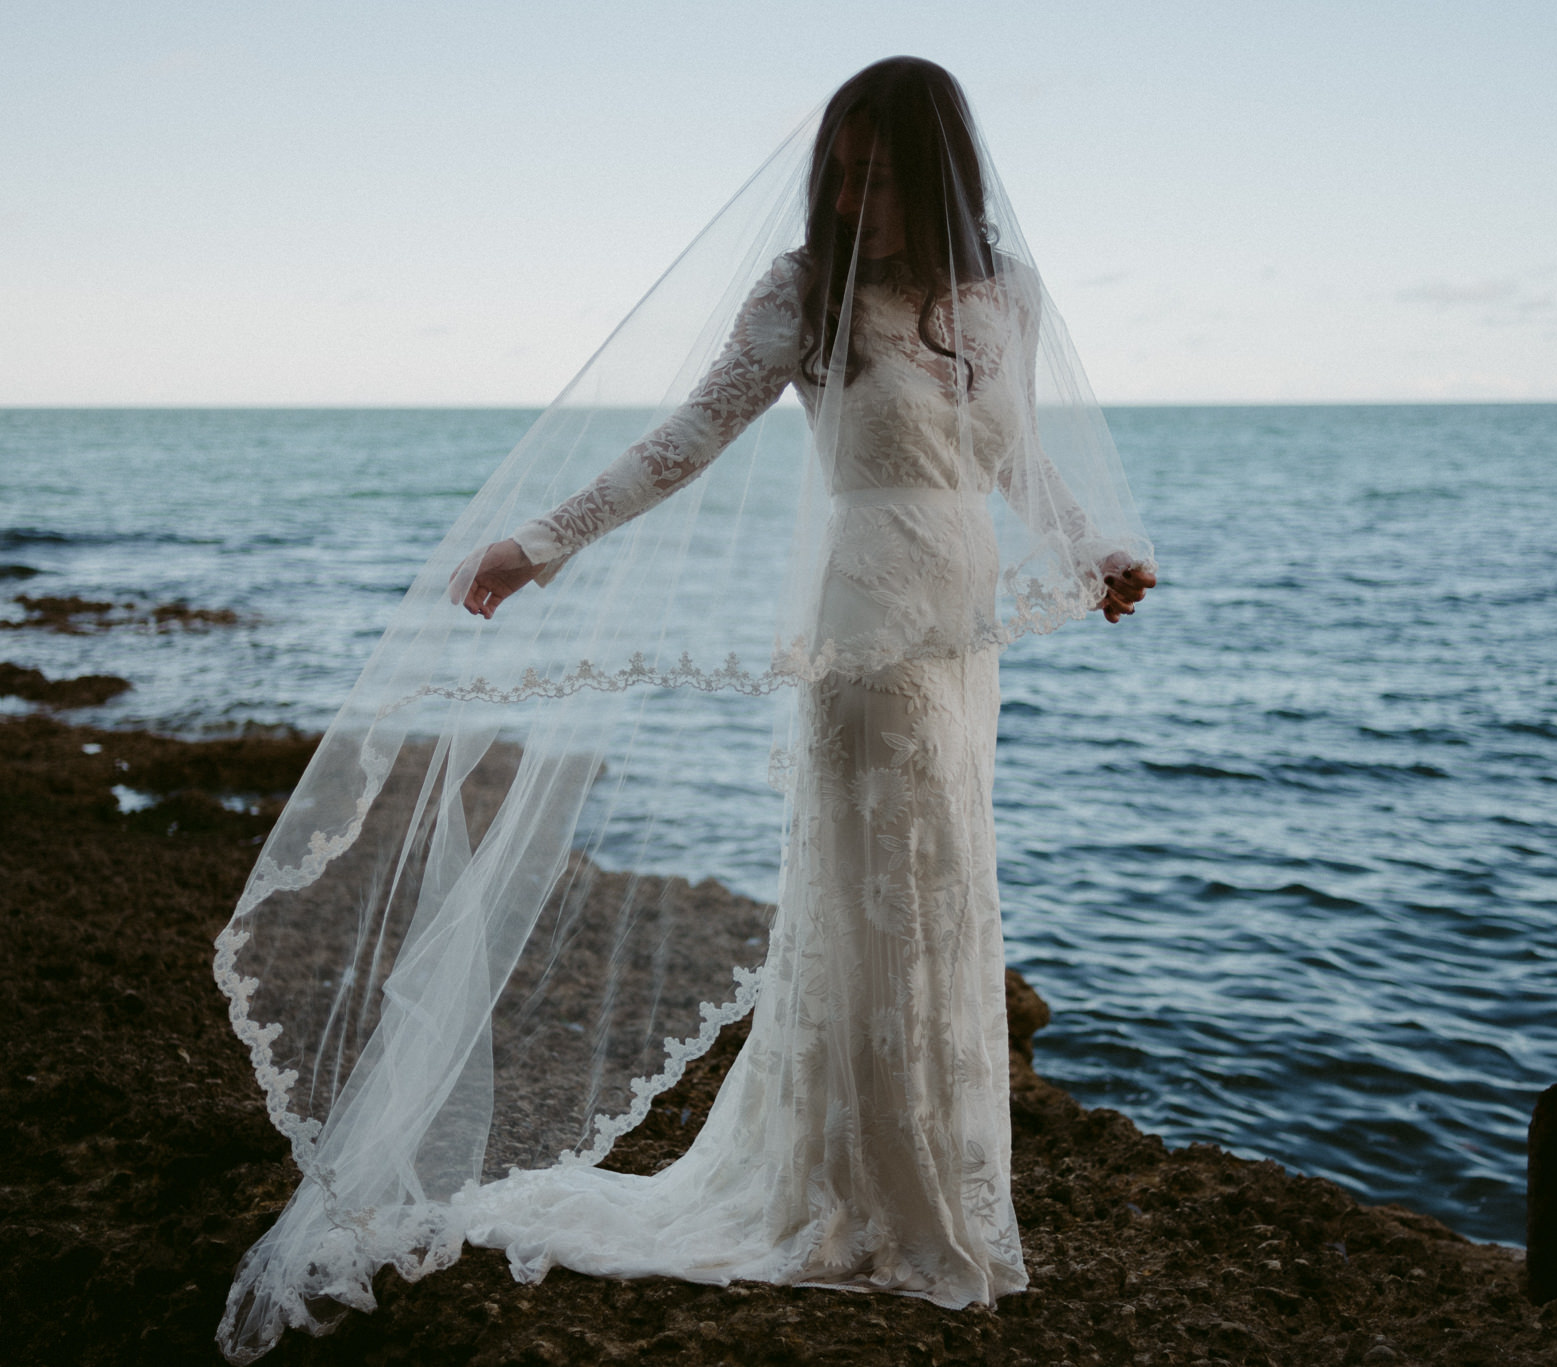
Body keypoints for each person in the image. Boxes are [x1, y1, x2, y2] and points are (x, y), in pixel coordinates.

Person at [215, 56, 1152, 1361]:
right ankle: (871, 1203)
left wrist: (1095, 553)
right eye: (840, 167)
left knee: (944, 889)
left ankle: (932, 1193)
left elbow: (1017, 461)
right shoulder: (802, 294)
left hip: (962, 630)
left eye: (880, 169)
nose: (854, 191)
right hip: (865, 623)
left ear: (936, 169)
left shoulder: (1006, 297)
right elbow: (686, 438)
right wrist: (536, 544)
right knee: (887, 886)